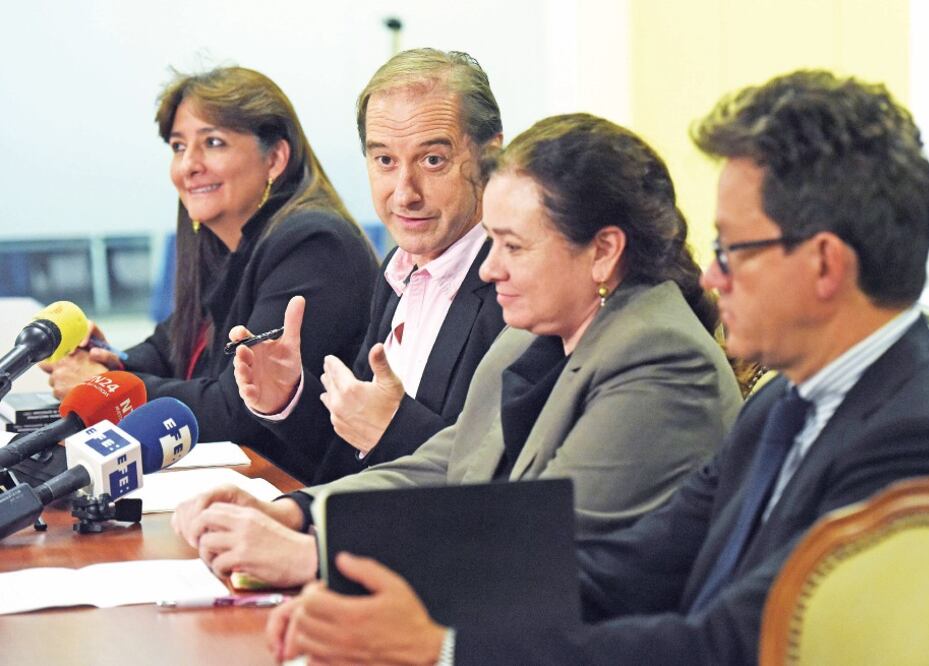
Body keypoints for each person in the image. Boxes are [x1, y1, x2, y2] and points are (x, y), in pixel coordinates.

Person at [263, 71, 929, 665]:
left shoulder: (920, 440)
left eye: (732, 250)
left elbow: (728, 645)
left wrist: (444, 648)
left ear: (824, 265)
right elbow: (626, 565)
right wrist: (355, 578)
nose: (711, 277)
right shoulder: (786, 405)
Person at [172, 113, 743, 589]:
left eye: (512, 246)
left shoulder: (660, 359)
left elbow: (538, 548)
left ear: (603, 252)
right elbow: (446, 465)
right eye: (491, 242)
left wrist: (313, 558)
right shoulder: (534, 333)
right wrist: (295, 513)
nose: (489, 269)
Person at [42, 67, 377, 476]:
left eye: (213, 143)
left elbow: (237, 406)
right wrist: (106, 360)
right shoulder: (229, 241)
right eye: (178, 146)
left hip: (296, 488)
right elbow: (171, 347)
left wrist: (108, 386)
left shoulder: (313, 245)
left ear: (274, 158)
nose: (188, 165)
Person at [229, 49, 507, 483]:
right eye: (385, 161)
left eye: (432, 160)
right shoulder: (398, 269)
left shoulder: (515, 286)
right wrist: (289, 398)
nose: (405, 194)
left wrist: (392, 431)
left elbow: (513, 479)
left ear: (490, 157)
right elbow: (353, 457)